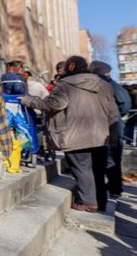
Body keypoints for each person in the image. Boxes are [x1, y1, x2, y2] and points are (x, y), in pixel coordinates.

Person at [21, 56, 119, 212]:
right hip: (101, 135)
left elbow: (53, 104)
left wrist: (29, 101)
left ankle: (88, 202)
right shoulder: (104, 85)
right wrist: (114, 136)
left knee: (82, 169)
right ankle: (100, 202)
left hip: (76, 134)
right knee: (98, 170)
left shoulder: (65, 85)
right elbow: (113, 113)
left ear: (71, 67)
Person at [90, 60, 132, 198]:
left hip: (107, 124)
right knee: (115, 157)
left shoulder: (102, 86)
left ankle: (111, 188)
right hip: (117, 123)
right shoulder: (117, 86)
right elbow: (126, 106)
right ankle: (116, 187)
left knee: (108, 158)